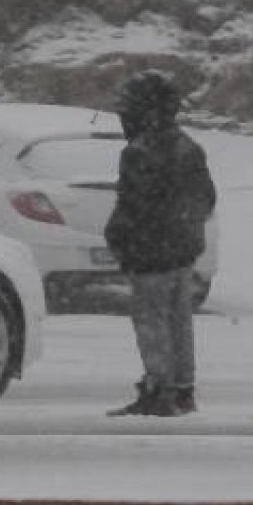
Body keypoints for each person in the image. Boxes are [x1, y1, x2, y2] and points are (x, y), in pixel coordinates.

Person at [104, 69, 216, 417]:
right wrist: (185, 228)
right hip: (182, 252)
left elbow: (132, 206)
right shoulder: (189, 148)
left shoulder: (138, 153)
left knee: (151, 322)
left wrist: (119, 238)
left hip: (150, 253)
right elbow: (207, 198)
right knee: (179, 320)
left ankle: (159, 388)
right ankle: (183, 388)